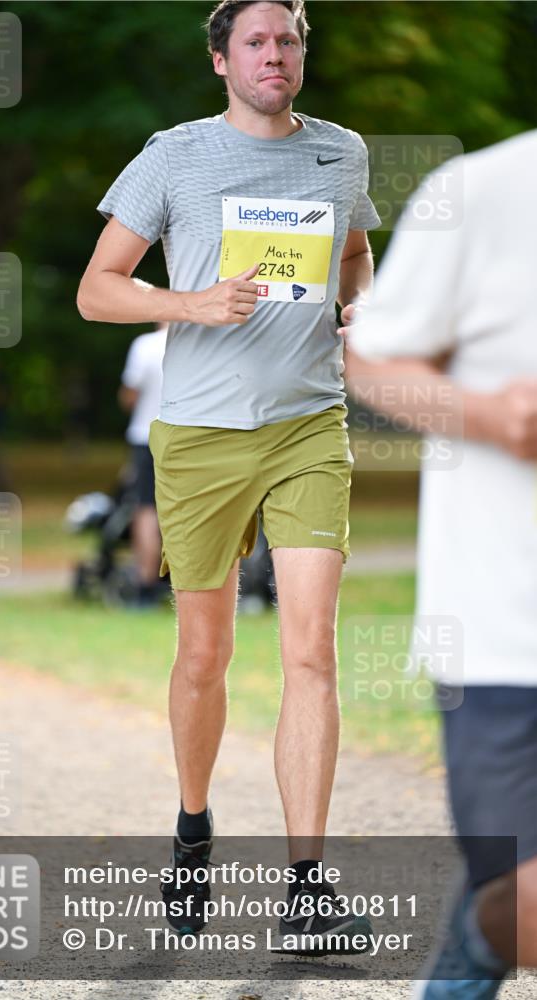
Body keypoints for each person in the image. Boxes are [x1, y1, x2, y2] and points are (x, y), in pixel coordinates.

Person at [78, 0, 380, 949]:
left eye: (286, 40)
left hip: (306, 426)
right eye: (253, 41)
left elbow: (355, 252)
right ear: (220, 60)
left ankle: (305, 886)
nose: (273, 55)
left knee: (310, 653)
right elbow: (97, 289)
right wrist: (188, 301)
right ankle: (193, 828)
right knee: (204, 655)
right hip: (200, 435)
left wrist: (357, 311)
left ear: (300, 54)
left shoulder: (342, 153)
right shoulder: (173, 155)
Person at [343, 131, 537, 996]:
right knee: (521, 904)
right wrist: (492, 416)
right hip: (506, 626)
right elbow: (372, 358)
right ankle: (480, 936)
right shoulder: (486, 189)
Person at [118, 323, 168, 606]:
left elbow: (130, 395)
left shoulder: (145, 345)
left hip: (146, 435)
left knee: (147, 509)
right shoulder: (203, 339)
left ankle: (146, 584)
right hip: (190, 437)